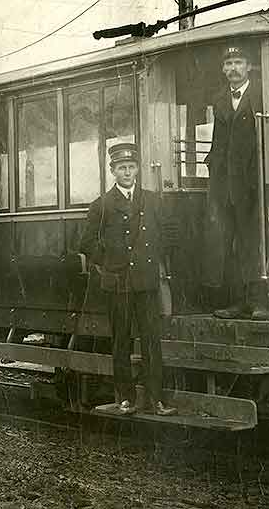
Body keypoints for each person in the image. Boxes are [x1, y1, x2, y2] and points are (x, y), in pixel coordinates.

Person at [80, 143, 176, 416]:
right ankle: (126, 398)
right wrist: (108, 262)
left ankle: (156, 399)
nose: (127, 172)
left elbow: (170, 232)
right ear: (113, 171)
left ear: (137, 170)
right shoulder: (102, 205)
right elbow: (86, 242)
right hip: (118, 283)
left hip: (146, 282)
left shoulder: (151, 200)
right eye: (121, 168)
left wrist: (157, 254)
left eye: (131, 167)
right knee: (121, 340)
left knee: (151, 340)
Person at [204, 45, 269, 320]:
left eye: (238, 62)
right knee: (228, 243)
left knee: (254, 242)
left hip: (255, 185)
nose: (233, 68)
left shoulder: (261, 96)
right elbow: (218, 144)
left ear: (249, 66)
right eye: (228, 63)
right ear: (223, 69)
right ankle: (236, 302)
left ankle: (259, 302)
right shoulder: (220, 102)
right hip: (226, 186)